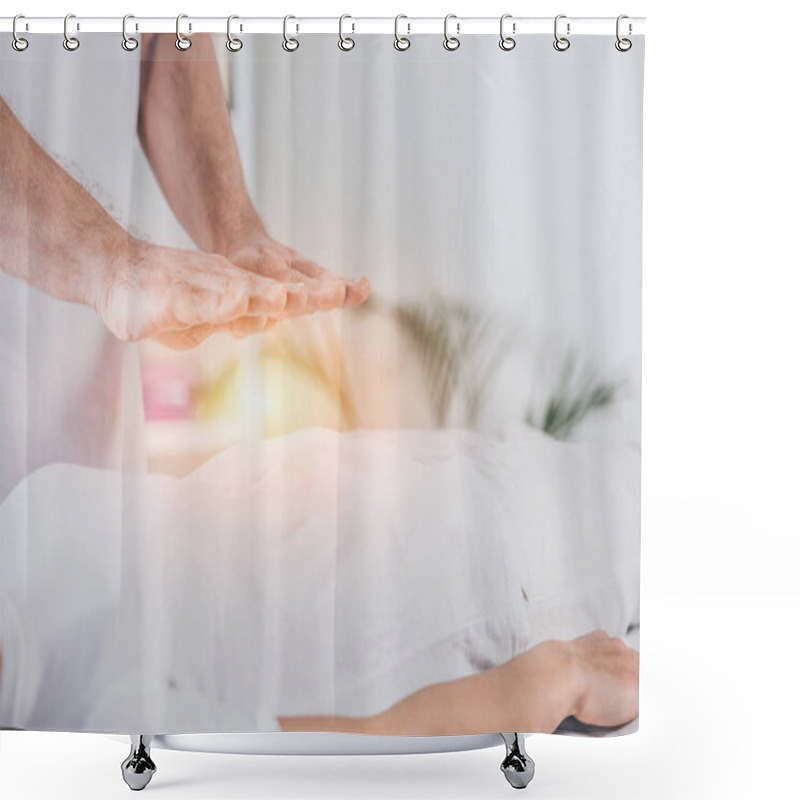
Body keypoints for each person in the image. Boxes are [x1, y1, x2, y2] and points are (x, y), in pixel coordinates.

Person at [0, 33, 637, 736]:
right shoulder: (70, 704)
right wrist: (554, 681)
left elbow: (160, 39)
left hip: (427, 487)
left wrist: (235, 230)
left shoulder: (26, 550)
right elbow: (291, 752)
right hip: (489, 573)